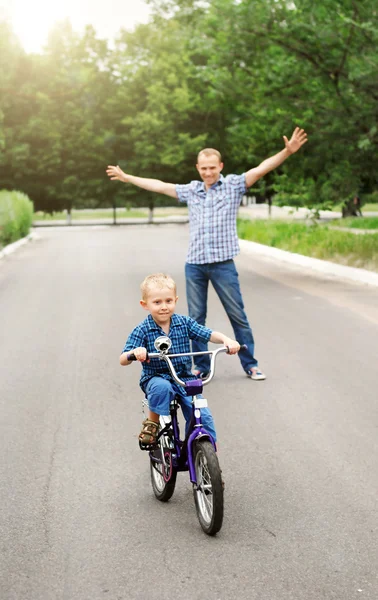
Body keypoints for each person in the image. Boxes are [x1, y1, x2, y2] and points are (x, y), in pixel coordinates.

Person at [108, 127, 308, 381]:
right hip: (195, 266)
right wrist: (128, 178)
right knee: (195, 320)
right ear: (198, 168)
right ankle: (200, 366)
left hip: (223, 264)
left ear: (220, 166)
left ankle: (251, 364)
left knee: (238, 316)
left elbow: (261, 169)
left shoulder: (234, 185)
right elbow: (159, 185)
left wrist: (287, 152)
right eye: (203, 168)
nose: (208, 172)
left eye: (212, 167)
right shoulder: (192, 190)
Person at [120, 273, 240, 447]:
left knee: (202, 416)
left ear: (175, 300)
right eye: (157, 302)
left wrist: (226, 340)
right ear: (144, 305)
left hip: (184, 378)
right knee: (163, 388)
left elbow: (207, 334)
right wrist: (136, 352)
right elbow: (123, 359)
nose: (164, 307)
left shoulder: (183, 323)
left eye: (168, 301)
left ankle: (203, 451)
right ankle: (152, 423)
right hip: (156, 377)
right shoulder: (142, 329)